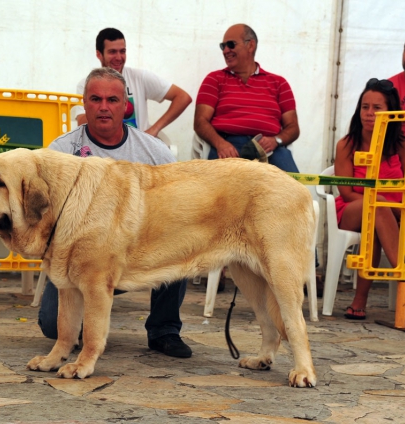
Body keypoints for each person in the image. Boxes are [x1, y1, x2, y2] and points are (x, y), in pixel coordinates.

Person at [39, 67, 192, 358]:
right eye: (95, 99)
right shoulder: (61, 152)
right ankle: (87, 324)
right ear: (84, 103)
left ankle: (164, 330)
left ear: (126, 106)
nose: (104, 107)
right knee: (51, 326)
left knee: (180, 238)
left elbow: (178, 200)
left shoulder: (154, 151)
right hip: (81, 262)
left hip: (139, 253)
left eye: (112, 100)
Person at [333, 78, 405, 320]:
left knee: (375, 223)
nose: (369, 113)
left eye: (377, 108)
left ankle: (359, 303)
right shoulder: (347, 144)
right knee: (375, 205)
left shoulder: (401, 144)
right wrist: (380, 200)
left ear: (391, 112)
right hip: (350, 210)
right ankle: (404, 273)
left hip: (389, 214)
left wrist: (388, 205)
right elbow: (346, 192)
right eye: (364, 107)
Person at [194, 23, 300, 172]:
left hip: (269, 147)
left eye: (231, 44)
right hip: (228, 146)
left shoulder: (279, 83)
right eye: (222, 46)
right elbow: (200, 122)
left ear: (250, 45)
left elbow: (293, 127)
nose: (225, 51)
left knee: (293, 191)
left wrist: (276, 140)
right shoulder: (214, 79)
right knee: (220, 193)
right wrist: (220, 144)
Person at [73, 28, 191, 138]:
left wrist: (154, 129)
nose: (119, 57)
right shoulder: (86, 84)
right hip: (102, 152)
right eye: (112, 52)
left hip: (139, 151)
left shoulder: (140, 77)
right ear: (99, 54)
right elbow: (81, 124)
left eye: (122, 51)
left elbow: (183, 97)